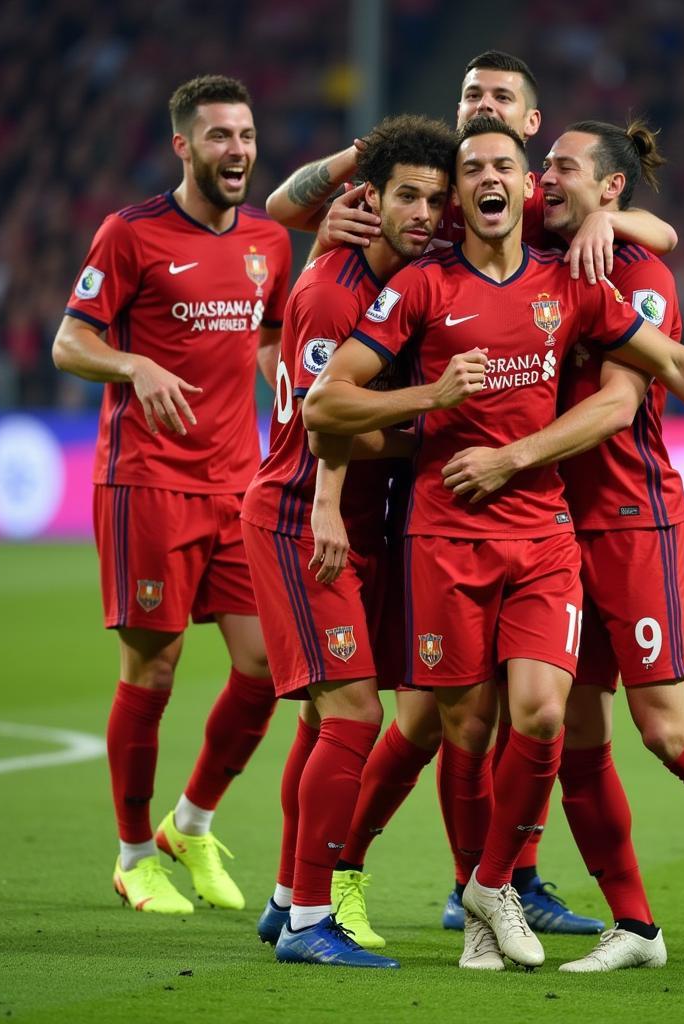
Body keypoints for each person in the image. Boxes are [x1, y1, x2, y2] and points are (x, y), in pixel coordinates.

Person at [301, 117, 684, 971]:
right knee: (536, 730)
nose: (530, 179)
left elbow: (652, 379)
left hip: (619, 519)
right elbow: (330, 398)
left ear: (608, 186)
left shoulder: (615, 268)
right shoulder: (466, 265)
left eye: (544, 164)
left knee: (659, 729)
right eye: (496, 167)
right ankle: (629, 926)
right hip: (515, 526)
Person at [268, 48, 675, 942]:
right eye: (468, 97)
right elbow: (282, 212)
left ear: (532, 136)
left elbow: (658, 259)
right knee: (413, 719)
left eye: (498, 104)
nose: (478, 109)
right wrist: (360, 176)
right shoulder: (425, 211)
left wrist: (626, 224)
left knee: (488, 715)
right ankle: (336, 882)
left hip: (503, 513)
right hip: (421, 510)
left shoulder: (538, 212)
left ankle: (488, 883)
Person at [51, 75, 292, 915]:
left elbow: (268, 335)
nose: (238, 151)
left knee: (266, 666)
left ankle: (188, 823)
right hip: (146, 481)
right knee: (152, 668)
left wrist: (291, 393)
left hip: (238, 483)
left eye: (247, 135)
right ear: (184, 146)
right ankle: (130, 855)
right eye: (220, 137)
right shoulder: (133, 234)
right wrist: (134, 362)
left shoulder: (269, 240)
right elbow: (69, 342)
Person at [239, 114, 461, 968]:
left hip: (358, 523)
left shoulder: (406, 279)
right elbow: (330, 420)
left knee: (322, 723)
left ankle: (286, 900)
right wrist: (434, 410)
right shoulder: (331, 293)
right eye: (409, 195)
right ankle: (307, 924)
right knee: (356, 714)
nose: (426, 212)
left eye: (436, 200)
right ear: (368, 199)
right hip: (303, 519)